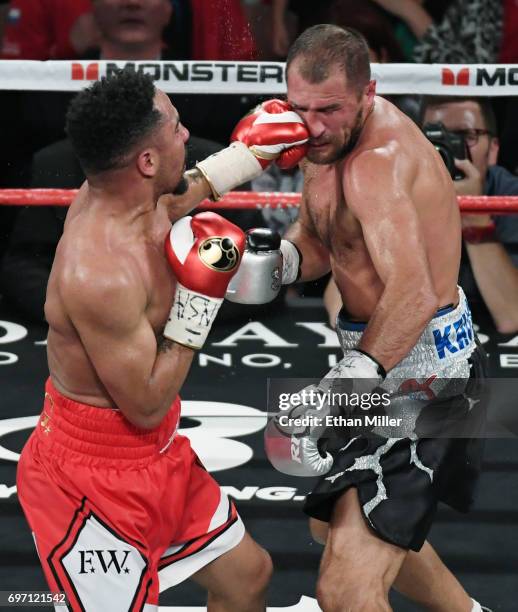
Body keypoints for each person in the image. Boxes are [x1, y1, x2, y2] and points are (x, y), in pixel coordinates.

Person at [16, 67, 309, 610]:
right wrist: (200, 302)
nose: (186, 133)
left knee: (248, 577)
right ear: (146, 162)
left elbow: (175, 196)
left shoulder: (132, 194)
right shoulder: (99, 272)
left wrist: (248, 156)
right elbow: (147, 403)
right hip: (88, 480)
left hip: (156, 453)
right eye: (175, 126)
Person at [253, 25, 491, 611]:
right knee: (332, 526)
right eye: (299, 106)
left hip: (427, 378)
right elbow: (320, 238)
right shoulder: (319, 141)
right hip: (380, 364)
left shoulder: (378, 163)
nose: (310, 124)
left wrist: (340, 388)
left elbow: (413, 291)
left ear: (368, 93)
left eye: (328, 109)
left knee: (345, 588)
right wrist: (275, 264)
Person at [421, 95, 518, 334]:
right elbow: (339, 304)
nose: (450, 148)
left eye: (467, 136)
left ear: (493, 149)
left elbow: (512, 316)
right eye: (437, 136)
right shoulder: (399, 192)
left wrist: (472, 213)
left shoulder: (510, 197)